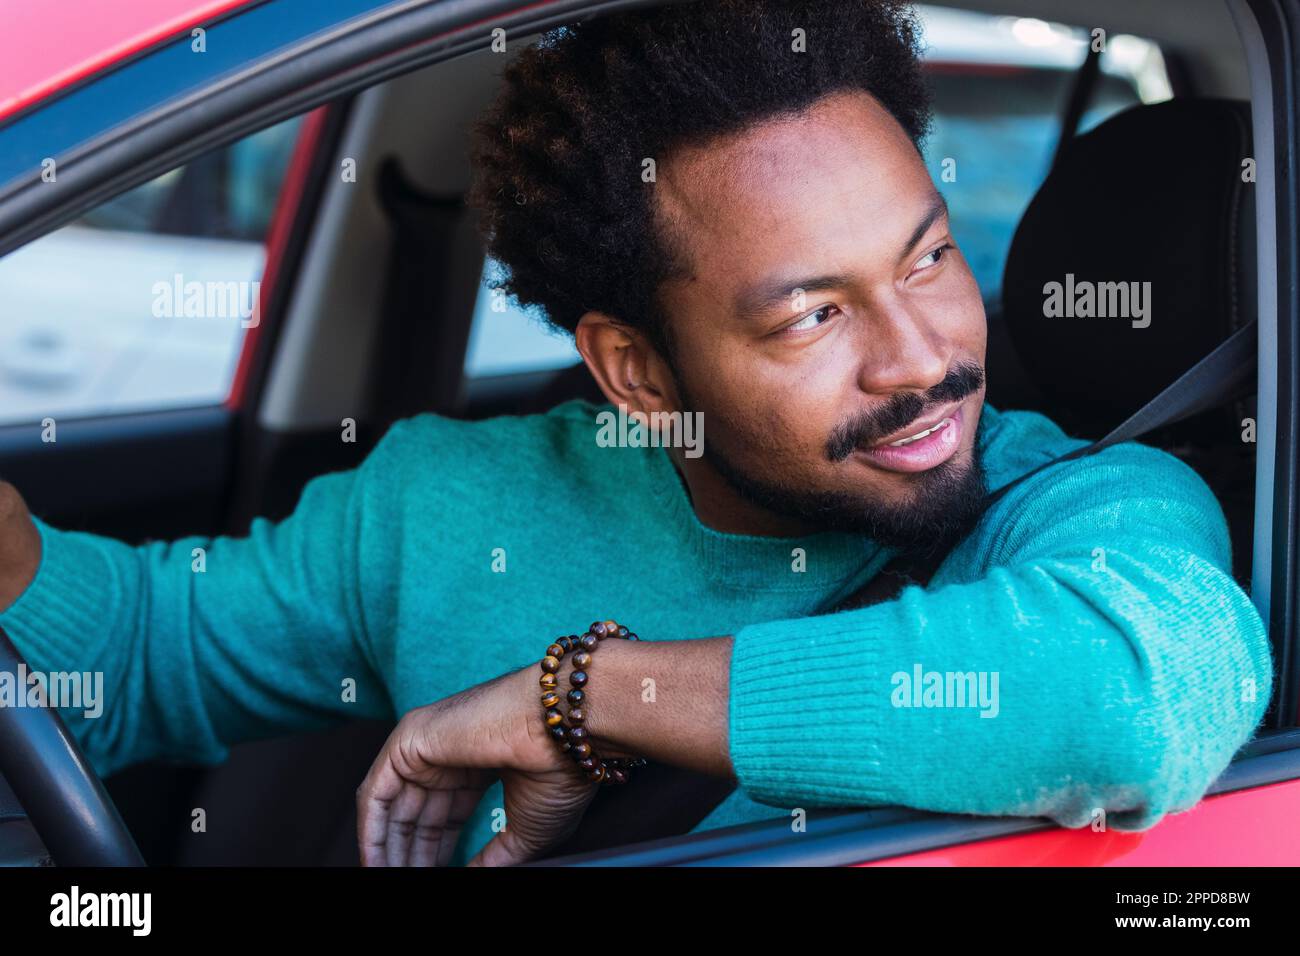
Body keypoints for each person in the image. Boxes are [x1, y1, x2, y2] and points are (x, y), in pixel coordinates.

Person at [0, 0, 1272, 867]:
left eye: (930, 255)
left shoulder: (1080, 506)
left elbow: (1137, 696)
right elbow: (132, 658)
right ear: (637, 370)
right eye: (811, 314)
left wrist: (589, 697)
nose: (926, 357)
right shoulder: (439, 508)